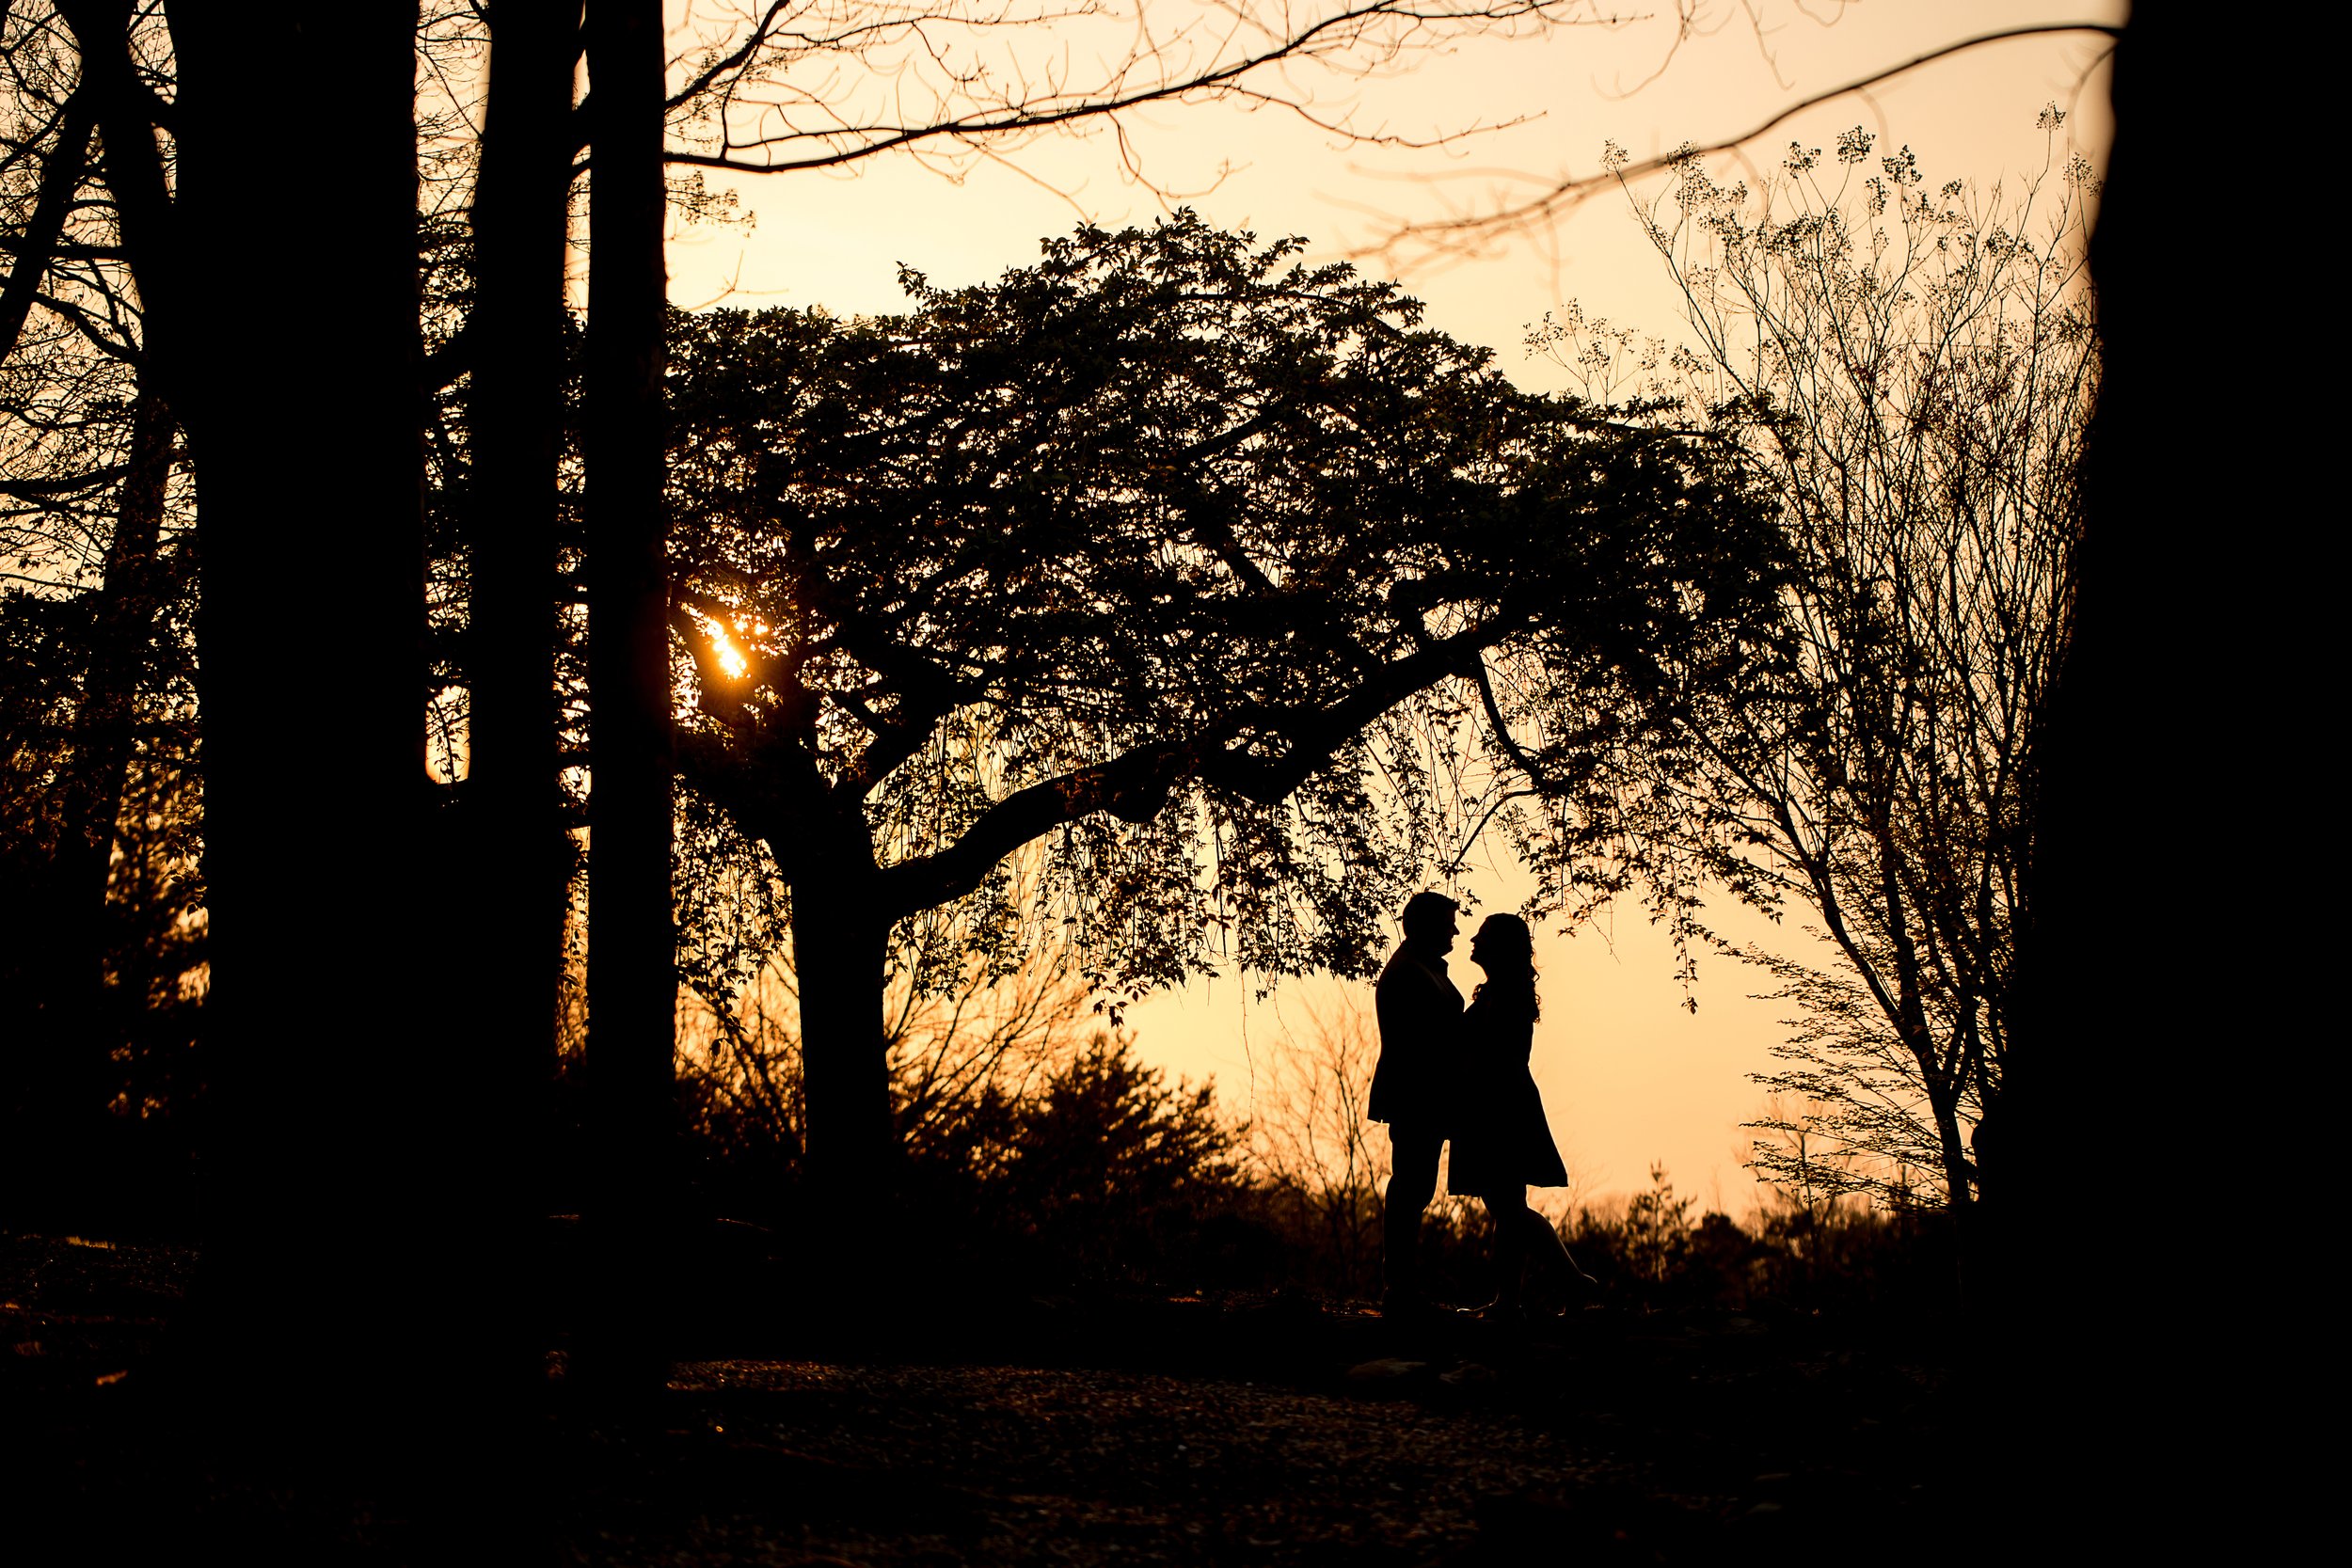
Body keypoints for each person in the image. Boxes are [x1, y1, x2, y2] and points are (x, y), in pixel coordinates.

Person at [1446, 912, 1594, 1318]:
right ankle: (1512, 1299)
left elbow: (1496, 1056)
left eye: (1483, 936)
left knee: (1508, 1208)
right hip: (1497, 1106)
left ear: (1499, 947)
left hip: (1501, 1109)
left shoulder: (1507, 995)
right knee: (1506, 1208)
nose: (1472, 940)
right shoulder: (1498, 991)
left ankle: (1569, 1282)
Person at [1368, 890, 1463, 1318]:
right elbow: (1423, 1040)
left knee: (1417, 1184)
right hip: (1416, 1093)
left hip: (1428, 1093)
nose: (1455, 931)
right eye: (1448, 923)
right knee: (1410, 1183)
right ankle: (1398, 1286)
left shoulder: (1422, 969)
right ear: (1425, 926)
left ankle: (1402, 1284)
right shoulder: (1409, 973)